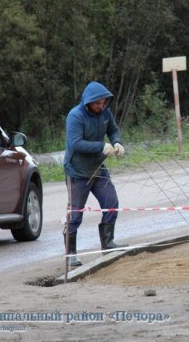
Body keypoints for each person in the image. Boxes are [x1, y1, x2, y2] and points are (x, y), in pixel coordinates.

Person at [63, 81, 127, 267]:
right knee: (76, 214)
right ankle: (71, 253)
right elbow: (75, 143)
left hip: (98, 168)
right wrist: (101, 146)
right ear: (88, 101)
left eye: (104, 102)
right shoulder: (75, 116)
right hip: (77, 171)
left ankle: (108, 244)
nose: (102, 106)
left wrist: (116, 142)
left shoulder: (105, 113)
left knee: (111, 203)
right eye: (98, 103)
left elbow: (113, 130)